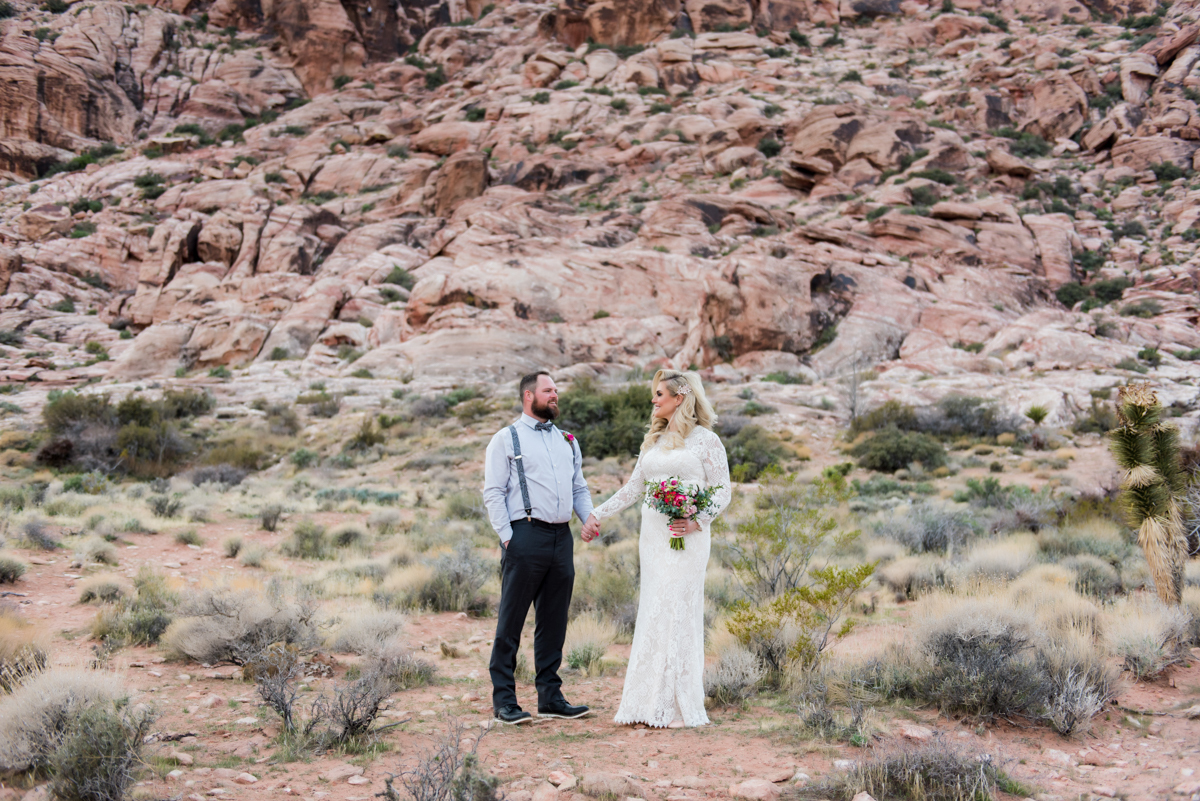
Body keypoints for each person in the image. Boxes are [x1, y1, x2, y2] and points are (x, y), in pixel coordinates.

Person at [589, 369, 731, 728]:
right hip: (653, 537)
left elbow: (723, 490)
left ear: (679, 397)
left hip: (687, 537)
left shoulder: (706, 441)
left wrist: (696, 520)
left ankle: (679, 705)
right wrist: (595, 513)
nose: (653, 400)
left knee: (678, 608)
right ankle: (645, 703)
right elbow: (633, 489)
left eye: (659, 394)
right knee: (655, 608)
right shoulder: (653, 440)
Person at [483, 371, 601, 725]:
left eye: (556, 391)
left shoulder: (567, 440)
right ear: (528, 395)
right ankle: (505, 701)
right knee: (511, 621)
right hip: (525, 535)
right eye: (548, 390)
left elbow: (579, 487)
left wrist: (588, 517)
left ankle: (550, 697)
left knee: (554, 621)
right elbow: (493, 492)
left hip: (561, 538)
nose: (555, 396)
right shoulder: (506, 439)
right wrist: (508, 537)